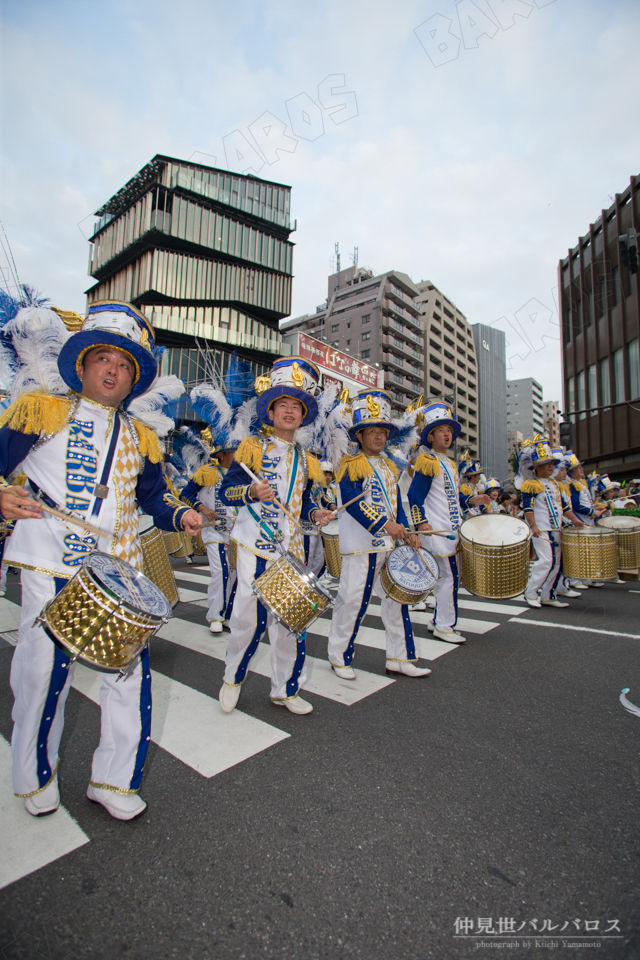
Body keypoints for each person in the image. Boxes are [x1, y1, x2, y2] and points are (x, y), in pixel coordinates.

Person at [0, 300, 202, 820]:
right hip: (52, 563)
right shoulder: (40, 410)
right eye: (104, 359)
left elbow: (156, 499)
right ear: (83, 365)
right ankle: (34, 778)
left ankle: (113, 782)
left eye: (125, 364)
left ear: (134, 378)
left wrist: (183, 518)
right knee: (43, 674)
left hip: (119, 572)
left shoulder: (143, 436)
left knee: (129, 675)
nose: (113, 370)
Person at [216, 358, 333, 715]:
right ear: (270, 410)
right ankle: (232, 678)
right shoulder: (252, 447)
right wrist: (252, 494)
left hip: (290, 551)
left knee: (289, 623)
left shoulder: (308, 459)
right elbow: (226, 492)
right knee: (246, 621)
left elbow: (305, 504)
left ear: (303, 416)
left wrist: (317, 513)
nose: (289, 411)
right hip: (255, 545)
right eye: (283, 405)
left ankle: (285, 689)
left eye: (296, 407)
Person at [326, 390, 430, 679]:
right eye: (372, 431)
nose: (379, 437)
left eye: (382, 432)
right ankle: (339, 656)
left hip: (388, 544)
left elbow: (396, 503)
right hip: (361, 545)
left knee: (397, 600)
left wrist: (407, 532)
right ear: (359, 436)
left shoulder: (388, 465)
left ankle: (399, 657)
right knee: (352, 601)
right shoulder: (349, 464)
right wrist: (387, 525)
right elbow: (352, 501)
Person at [408, 402, 467, 644]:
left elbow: (454, 497)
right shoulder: (428, 460)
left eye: (449, 430)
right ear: (430, 436)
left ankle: (437, 620)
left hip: (451, 529)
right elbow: (414, 495)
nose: (447, 434)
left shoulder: (450, 464)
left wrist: (474, 498)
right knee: (449, 578)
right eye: (441, 430)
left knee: (449, 577)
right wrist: (421, 522)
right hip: (437, 531)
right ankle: (444, 625)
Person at [180, 443, 238, 633]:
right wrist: (203, 508)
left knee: (236, 574)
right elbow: (185, 494)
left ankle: (228, 615)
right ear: (221, 455)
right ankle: (215, 615)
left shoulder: (242, 474)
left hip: (237, 532)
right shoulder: (206, 472)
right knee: (221, 572)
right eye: (233, 450)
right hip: (214, 531)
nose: (237, 454)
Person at [521, 441, 583, 608]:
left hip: (556, 528)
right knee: (547, 561)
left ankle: (549, 595)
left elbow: (565, 507)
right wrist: (533, 526)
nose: (550, 466)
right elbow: (528, 508)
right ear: (537, 467)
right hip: (541, 530)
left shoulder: (555, 484)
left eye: (551, 463)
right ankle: (531, 592)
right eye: (546, 464)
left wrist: (576, 520)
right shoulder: (531, 484)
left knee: (557, 562)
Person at [567, 452, 607, 587]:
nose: (581, 469)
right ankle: (574, 579)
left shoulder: (581, 483)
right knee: (578, 552)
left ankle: (586, 577)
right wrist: (593, 512)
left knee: (587, 551)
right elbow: (576, 506)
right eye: (578, 468)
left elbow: (586, 503)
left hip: (587, 521)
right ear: (571, 471)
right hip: (579, 521)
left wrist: (595, 509)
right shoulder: (572, 484)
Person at [458, 451, 491, 518]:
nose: (479, 477)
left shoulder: (476, 488)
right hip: (470, 518)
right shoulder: (465, 487)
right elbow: (462, 503)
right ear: (472, 476)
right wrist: (471, 515)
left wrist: (487, 511)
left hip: (477, 516)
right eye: (478, 475)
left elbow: (480, 504)